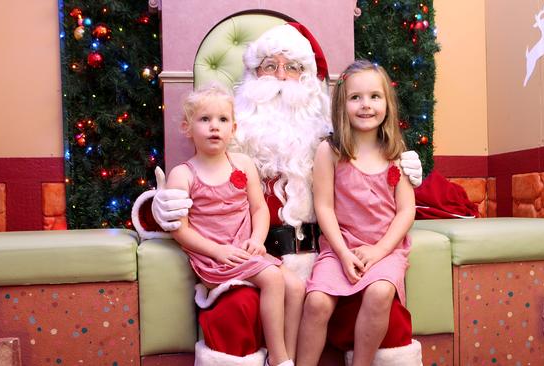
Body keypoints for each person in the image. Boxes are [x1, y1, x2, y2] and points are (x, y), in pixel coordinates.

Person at [151, 23, 424, 365]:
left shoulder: (332, 139)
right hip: (251, 260)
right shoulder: (232, 136)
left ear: (308, 78)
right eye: (269, 66)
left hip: (324, 258)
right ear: (252, 75)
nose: (280, 77)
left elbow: (386, 194)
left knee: (383, 312)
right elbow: (194, 189)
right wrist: (165, 205)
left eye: (292, 68)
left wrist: (409, 167)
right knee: (236, 313)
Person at [165, 85, 301, 366]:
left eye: (222, 120)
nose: (214, 127)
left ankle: (290, 355)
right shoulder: (183, 174)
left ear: (234, 127)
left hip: (247, 250)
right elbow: (180, 229)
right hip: (215, 258)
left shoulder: (242, 164)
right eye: (205, 119)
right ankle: (277, 358)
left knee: (297, 287)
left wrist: (258, 239)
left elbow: (259, 208)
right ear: (187, 127)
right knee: (274, 280)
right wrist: (218, 251)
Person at [297, 60, 421, 366]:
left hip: (385, 247)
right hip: (341, 245)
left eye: (374, 97)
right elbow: (324, 206)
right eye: (356, 98)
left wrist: (379, 251)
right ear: (343, 105)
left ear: (387, 104)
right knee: (316, 302)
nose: (366, 106)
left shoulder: (395, 153)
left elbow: (406, 210)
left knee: (380, 293)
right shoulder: (331, 151)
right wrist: (342, 252)